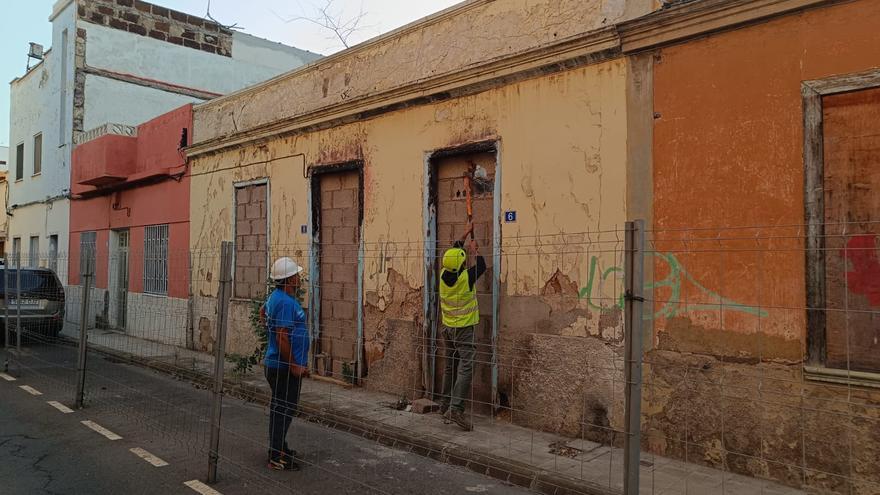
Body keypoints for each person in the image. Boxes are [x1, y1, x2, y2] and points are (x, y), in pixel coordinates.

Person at [263, 257, 310, 471]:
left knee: (281, 407)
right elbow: (282, 336)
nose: (299, 277)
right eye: (297, 275)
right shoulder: (283, 301)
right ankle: (276, 456)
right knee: (284, 409)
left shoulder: (277, 297)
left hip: (279, 365)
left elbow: (262, 312)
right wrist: (293, 365)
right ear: (290, 279)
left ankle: (279, 447)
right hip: (282, 367)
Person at [438, 223, 485, 431]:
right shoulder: (465, 279)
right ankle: (456, 409)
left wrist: (465, 234)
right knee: (466, 366)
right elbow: (482, 267)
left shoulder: (443, 275)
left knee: (450, 365)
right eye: (464, 259)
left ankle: (445, 404)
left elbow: (454, 252)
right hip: (463, 329)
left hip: (447, 327)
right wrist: (476, 251)